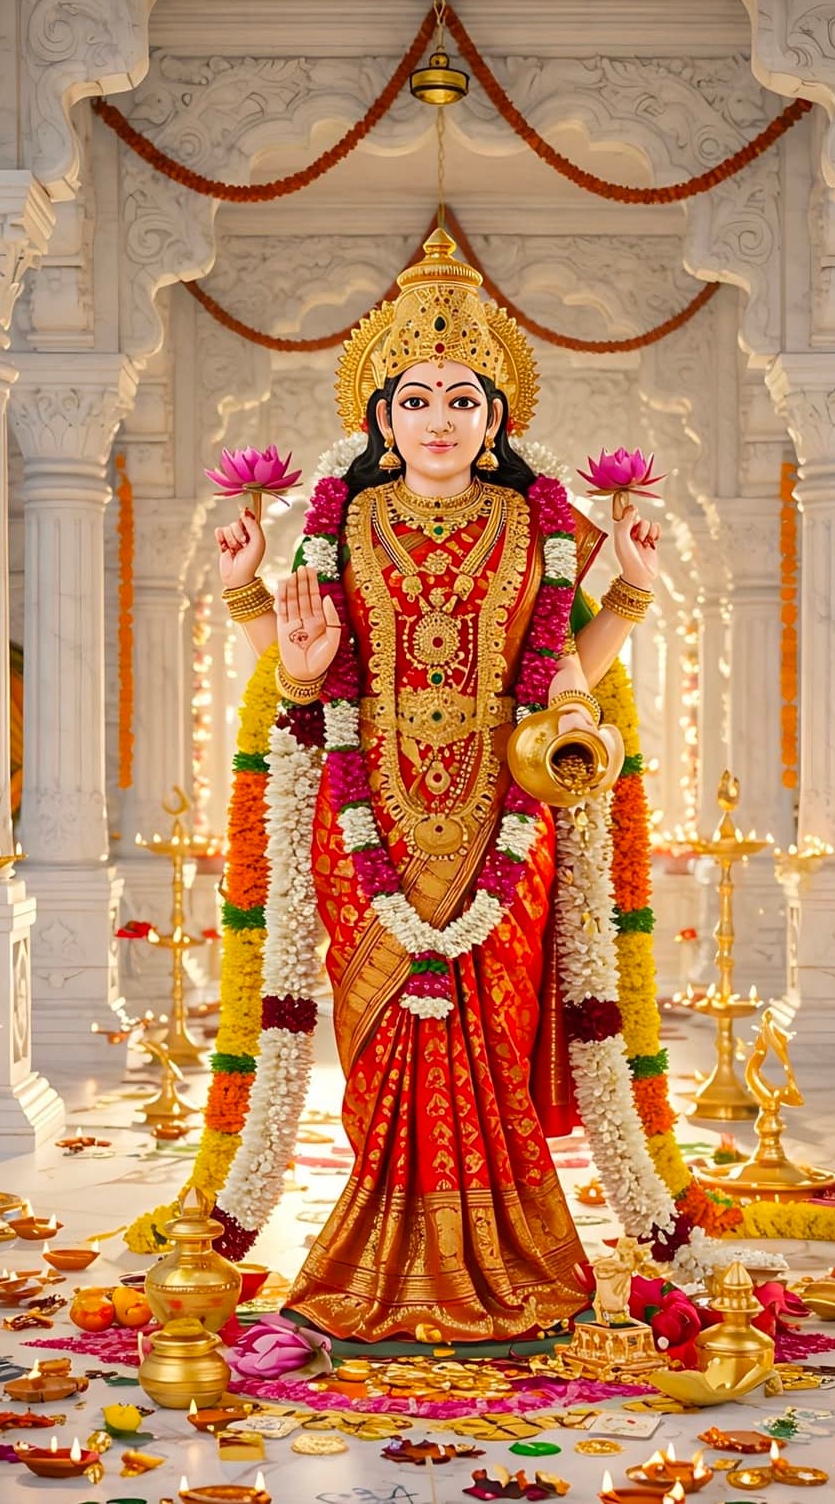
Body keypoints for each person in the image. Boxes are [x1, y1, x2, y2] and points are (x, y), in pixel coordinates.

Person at [216, 231, 660, 1342]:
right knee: (381, 1052)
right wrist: (250, 606)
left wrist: (632, 595)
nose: (441, 419)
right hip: (363, 821)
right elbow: (305, 668)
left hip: (503, 819)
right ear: (381, 417)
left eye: (464, 398)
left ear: (496, 418)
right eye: (416, 398)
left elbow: (556, 679)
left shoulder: (533, 528)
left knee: (493, 1044)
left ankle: (512, 1264)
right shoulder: (344, 524)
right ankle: (378, 1250)